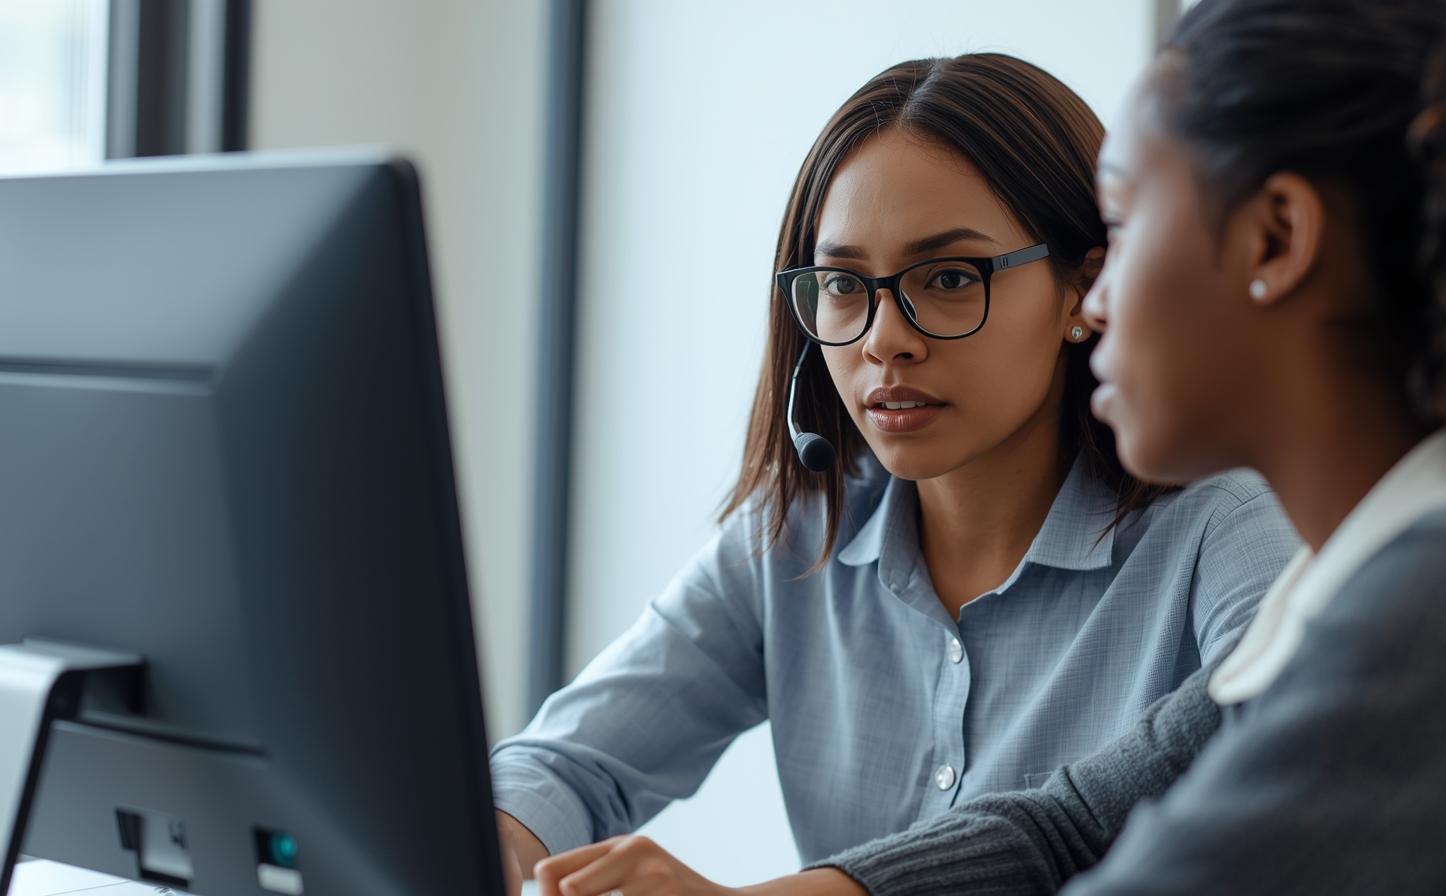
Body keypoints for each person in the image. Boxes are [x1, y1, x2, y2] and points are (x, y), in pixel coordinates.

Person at [494, 53, 1299, 894]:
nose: (884, 339)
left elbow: (1284, 747)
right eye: (845, 284)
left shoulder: (1223, 523)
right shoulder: (798, 531)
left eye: (949, 279)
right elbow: (567, 763)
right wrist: (496, 837)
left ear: (1082, 290)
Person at [1053, 0, 1446, 890]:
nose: (1094, 305)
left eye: (1119, 226)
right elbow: (1077, 823)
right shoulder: (1391, 568)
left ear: (1277, 235)